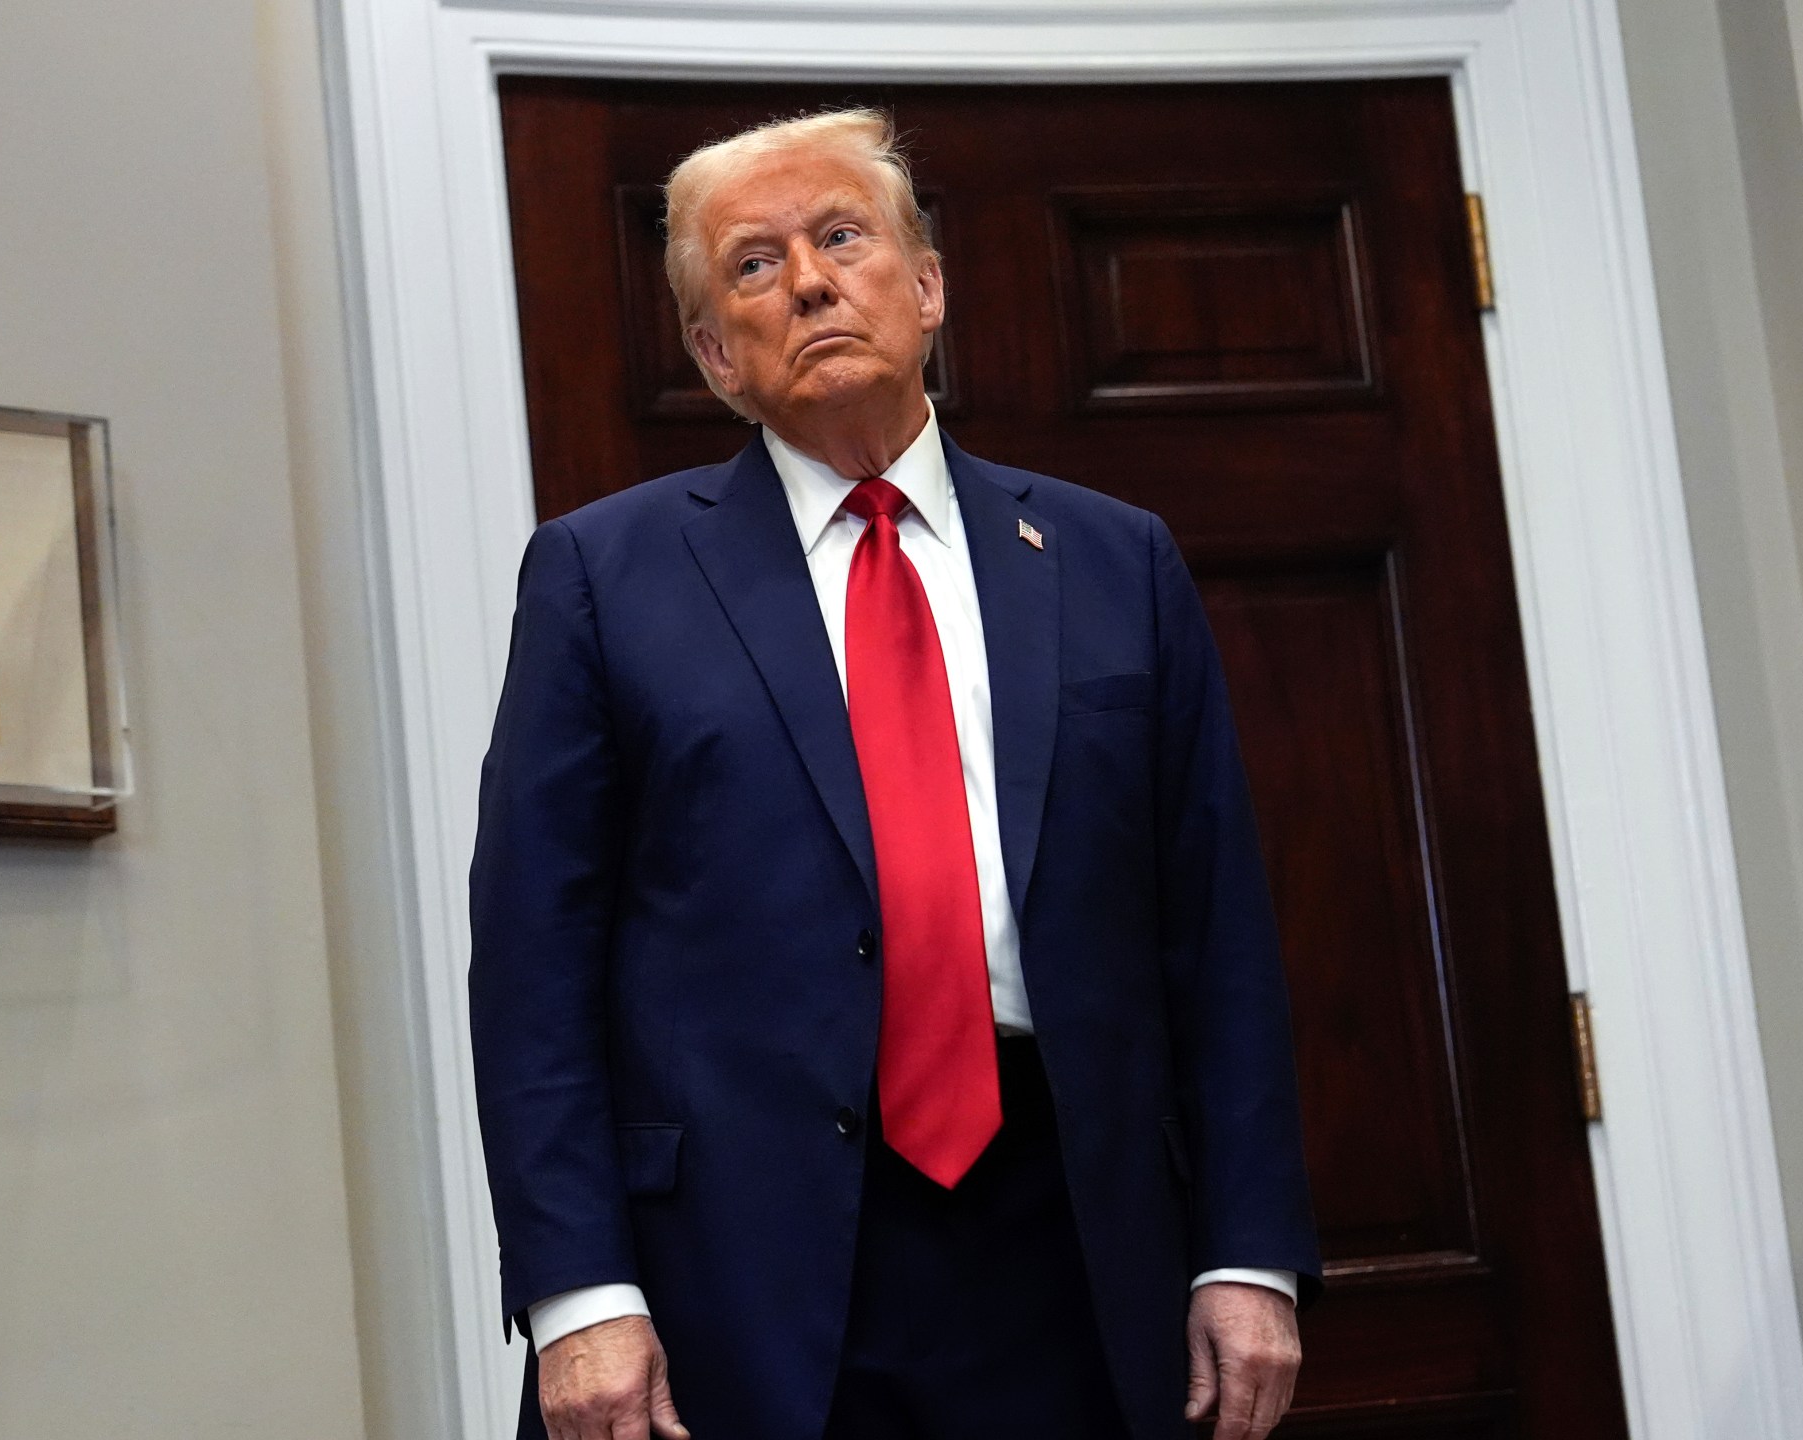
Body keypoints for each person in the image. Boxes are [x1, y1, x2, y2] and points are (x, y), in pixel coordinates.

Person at [469, 107, 1319, 1440]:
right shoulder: (603, 577)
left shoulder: (1115, 561)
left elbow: (1217, 933)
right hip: (738, 1268)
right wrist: (579, 1294)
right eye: (754, 265)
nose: (809, 282)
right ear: (715, 355)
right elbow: (534, 965)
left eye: (842, 237)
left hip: (1073, 1239)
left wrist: (1250, 1249)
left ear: (926, 287)